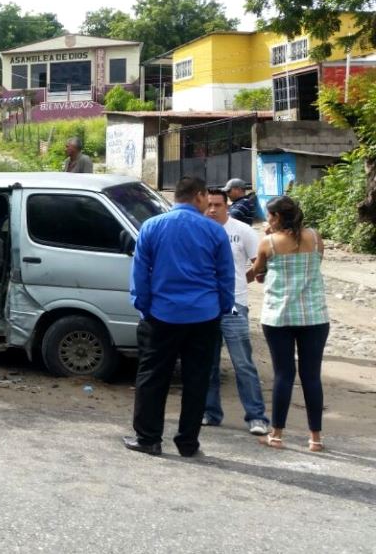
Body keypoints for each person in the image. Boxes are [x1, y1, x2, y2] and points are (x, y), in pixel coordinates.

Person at [123, 176, 234, 457]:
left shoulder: (151, 227)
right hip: (204, 316)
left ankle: (148, 439)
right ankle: (187, 443)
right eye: (206, 199)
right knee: (197, 380)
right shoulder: (214, 231)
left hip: (162, 316)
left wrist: (144, 307)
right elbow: (225, 277)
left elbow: (140, 274)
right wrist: (221, 307)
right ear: (198, 196)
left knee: (152, 377)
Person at [247, 196, 330, 452]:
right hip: (314, 317)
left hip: (279, 317)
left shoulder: (268, 243)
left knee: (284, 374)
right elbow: (315, 266)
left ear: (277, 218)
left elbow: (255, 274)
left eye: (269, 216)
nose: (266, 220)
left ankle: (277, 435)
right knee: (311, 376)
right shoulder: (315, 238)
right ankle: (315, 439)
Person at [203, 189, 270, 435]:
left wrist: (242, 281)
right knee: (208, 364)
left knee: (242, 363)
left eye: (217, 205)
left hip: (233, 305)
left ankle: (256, 417)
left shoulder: (242, 231)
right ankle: (210, 413)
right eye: (208, 205)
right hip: (206, 306)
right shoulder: (200, 229)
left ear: (226, 206)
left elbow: (258, 264)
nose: (212, 210)